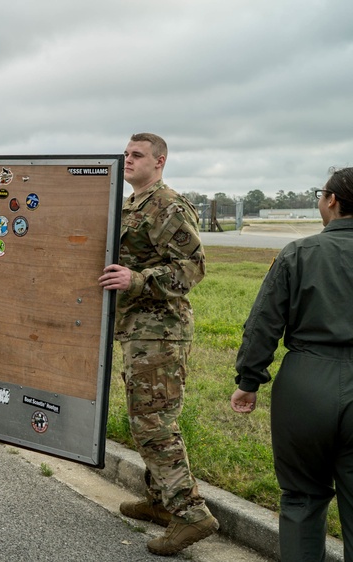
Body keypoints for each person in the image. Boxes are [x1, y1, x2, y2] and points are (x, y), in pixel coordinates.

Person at [98, 133, 219, 555]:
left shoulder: (166, 204)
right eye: (126, 153)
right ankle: (160, 503)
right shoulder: (133, 203)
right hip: (138, 329)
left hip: (160, 332)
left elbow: (193, 267)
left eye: (137, 155)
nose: (127, 160)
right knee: (144, 418)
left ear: (160, 161)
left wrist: (137, 280)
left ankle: (191, 515)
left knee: (154, 423)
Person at [231, 167, 353, 560]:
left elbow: (263, 323)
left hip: (306, 382)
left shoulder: (298, 253)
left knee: (301, 499)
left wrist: (249, 380)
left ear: (331, 200)